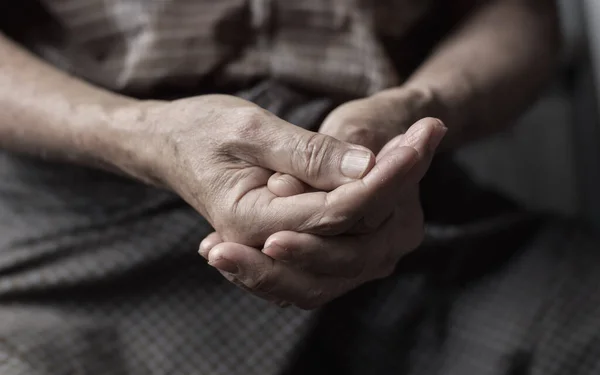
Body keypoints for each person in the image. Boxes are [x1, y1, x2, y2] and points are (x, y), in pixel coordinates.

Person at [1, 1, 599, 375]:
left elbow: (516, 13)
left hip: (406, 209)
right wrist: (145, 137)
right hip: (79, 216)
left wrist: (417, 113)